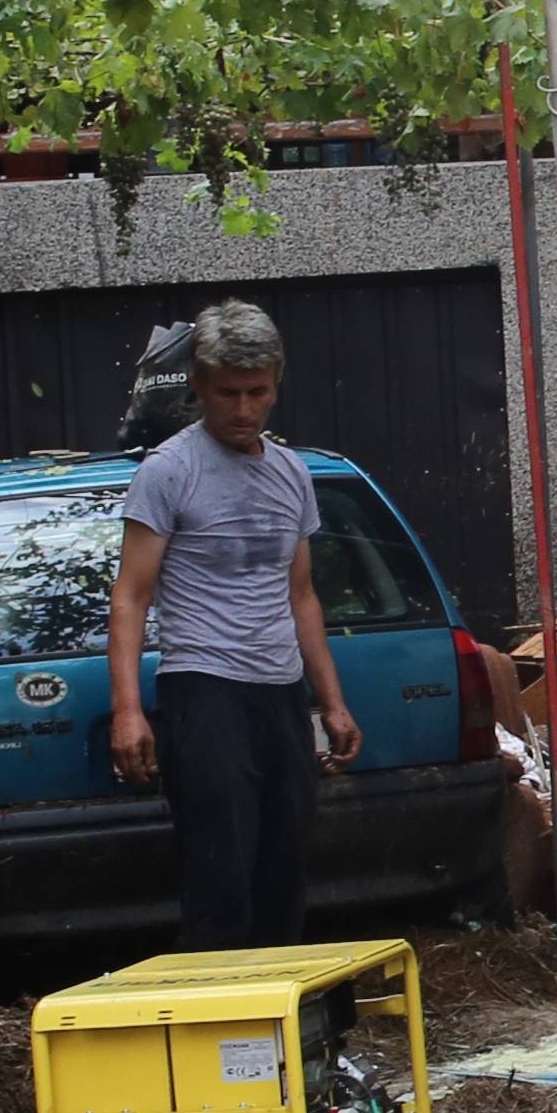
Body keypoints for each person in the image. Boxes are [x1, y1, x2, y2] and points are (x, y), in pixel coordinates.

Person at [107, 299, 361, 951]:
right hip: (203, 690)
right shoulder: (169, 470)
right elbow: (131, 596)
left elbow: (301, 594)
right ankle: (220, 1039)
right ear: (199, 387)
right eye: (228, 394)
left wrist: (330, 703)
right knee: (221, 879)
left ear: (276, 384)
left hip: (279, 695)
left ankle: (282, 1037)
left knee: (284, 873)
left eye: (257, 392)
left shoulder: (291, 473)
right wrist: (129, 711)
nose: (243, 410)